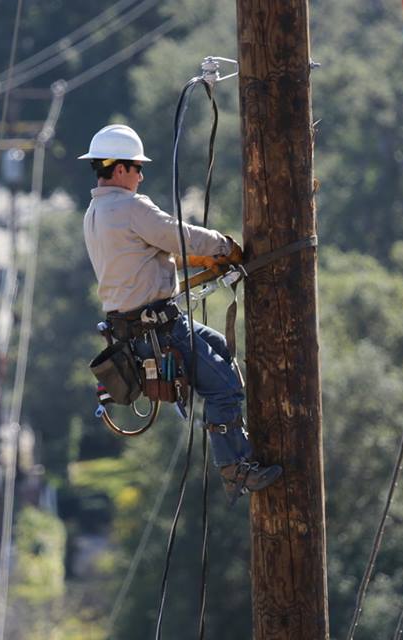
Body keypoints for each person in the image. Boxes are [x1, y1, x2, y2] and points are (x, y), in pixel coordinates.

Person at [80, 124, 282, 503]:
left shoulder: (96, 212)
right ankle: (235, 468)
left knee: (222, 351)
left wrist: (200, 260)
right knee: (224, 387)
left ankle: (236, 444)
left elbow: (147, 255)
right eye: (137, 168)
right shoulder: (129, 207)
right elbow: (178, 236)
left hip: (148, 329)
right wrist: (223, 246)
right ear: (119, 169)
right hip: (157, 332)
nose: (141, 175)